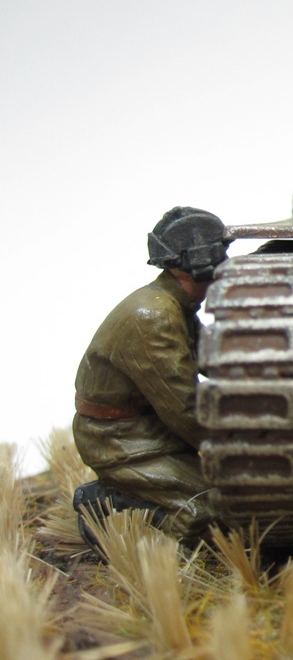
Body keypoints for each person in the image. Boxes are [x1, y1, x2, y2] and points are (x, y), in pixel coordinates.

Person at [72, 206, 231, 544]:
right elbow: (185, 409)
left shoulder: (174, 304)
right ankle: (112, 506)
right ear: (203, 266)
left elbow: (212, 357)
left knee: (233, 497)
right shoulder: (154, 317)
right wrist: (237, 453)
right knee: (213, 508)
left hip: (148, 428)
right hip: (120, 438)